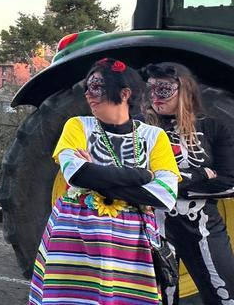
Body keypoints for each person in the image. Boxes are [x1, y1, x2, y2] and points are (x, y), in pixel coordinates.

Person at [29, 57, 181, 305]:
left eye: (97, 86)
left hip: (130, 244)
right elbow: (74, 174)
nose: (88, 93)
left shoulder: (154, 136)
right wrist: (141, 176)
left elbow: (165, 195)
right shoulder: (77, 125)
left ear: (124, 93)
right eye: (88, 87)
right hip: (73, 236)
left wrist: (95, 173)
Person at [142, 63, 234, 304]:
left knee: (226, 294)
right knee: (159, 296)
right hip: (155, 226)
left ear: (184, 91)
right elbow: (137, 181)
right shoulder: (139, 129)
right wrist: (203, 173)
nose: (155, 97)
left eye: (163, 89)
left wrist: (166, 183)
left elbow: (230, 182)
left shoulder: (213, 128)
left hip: (203, 224)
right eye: (150, 89)